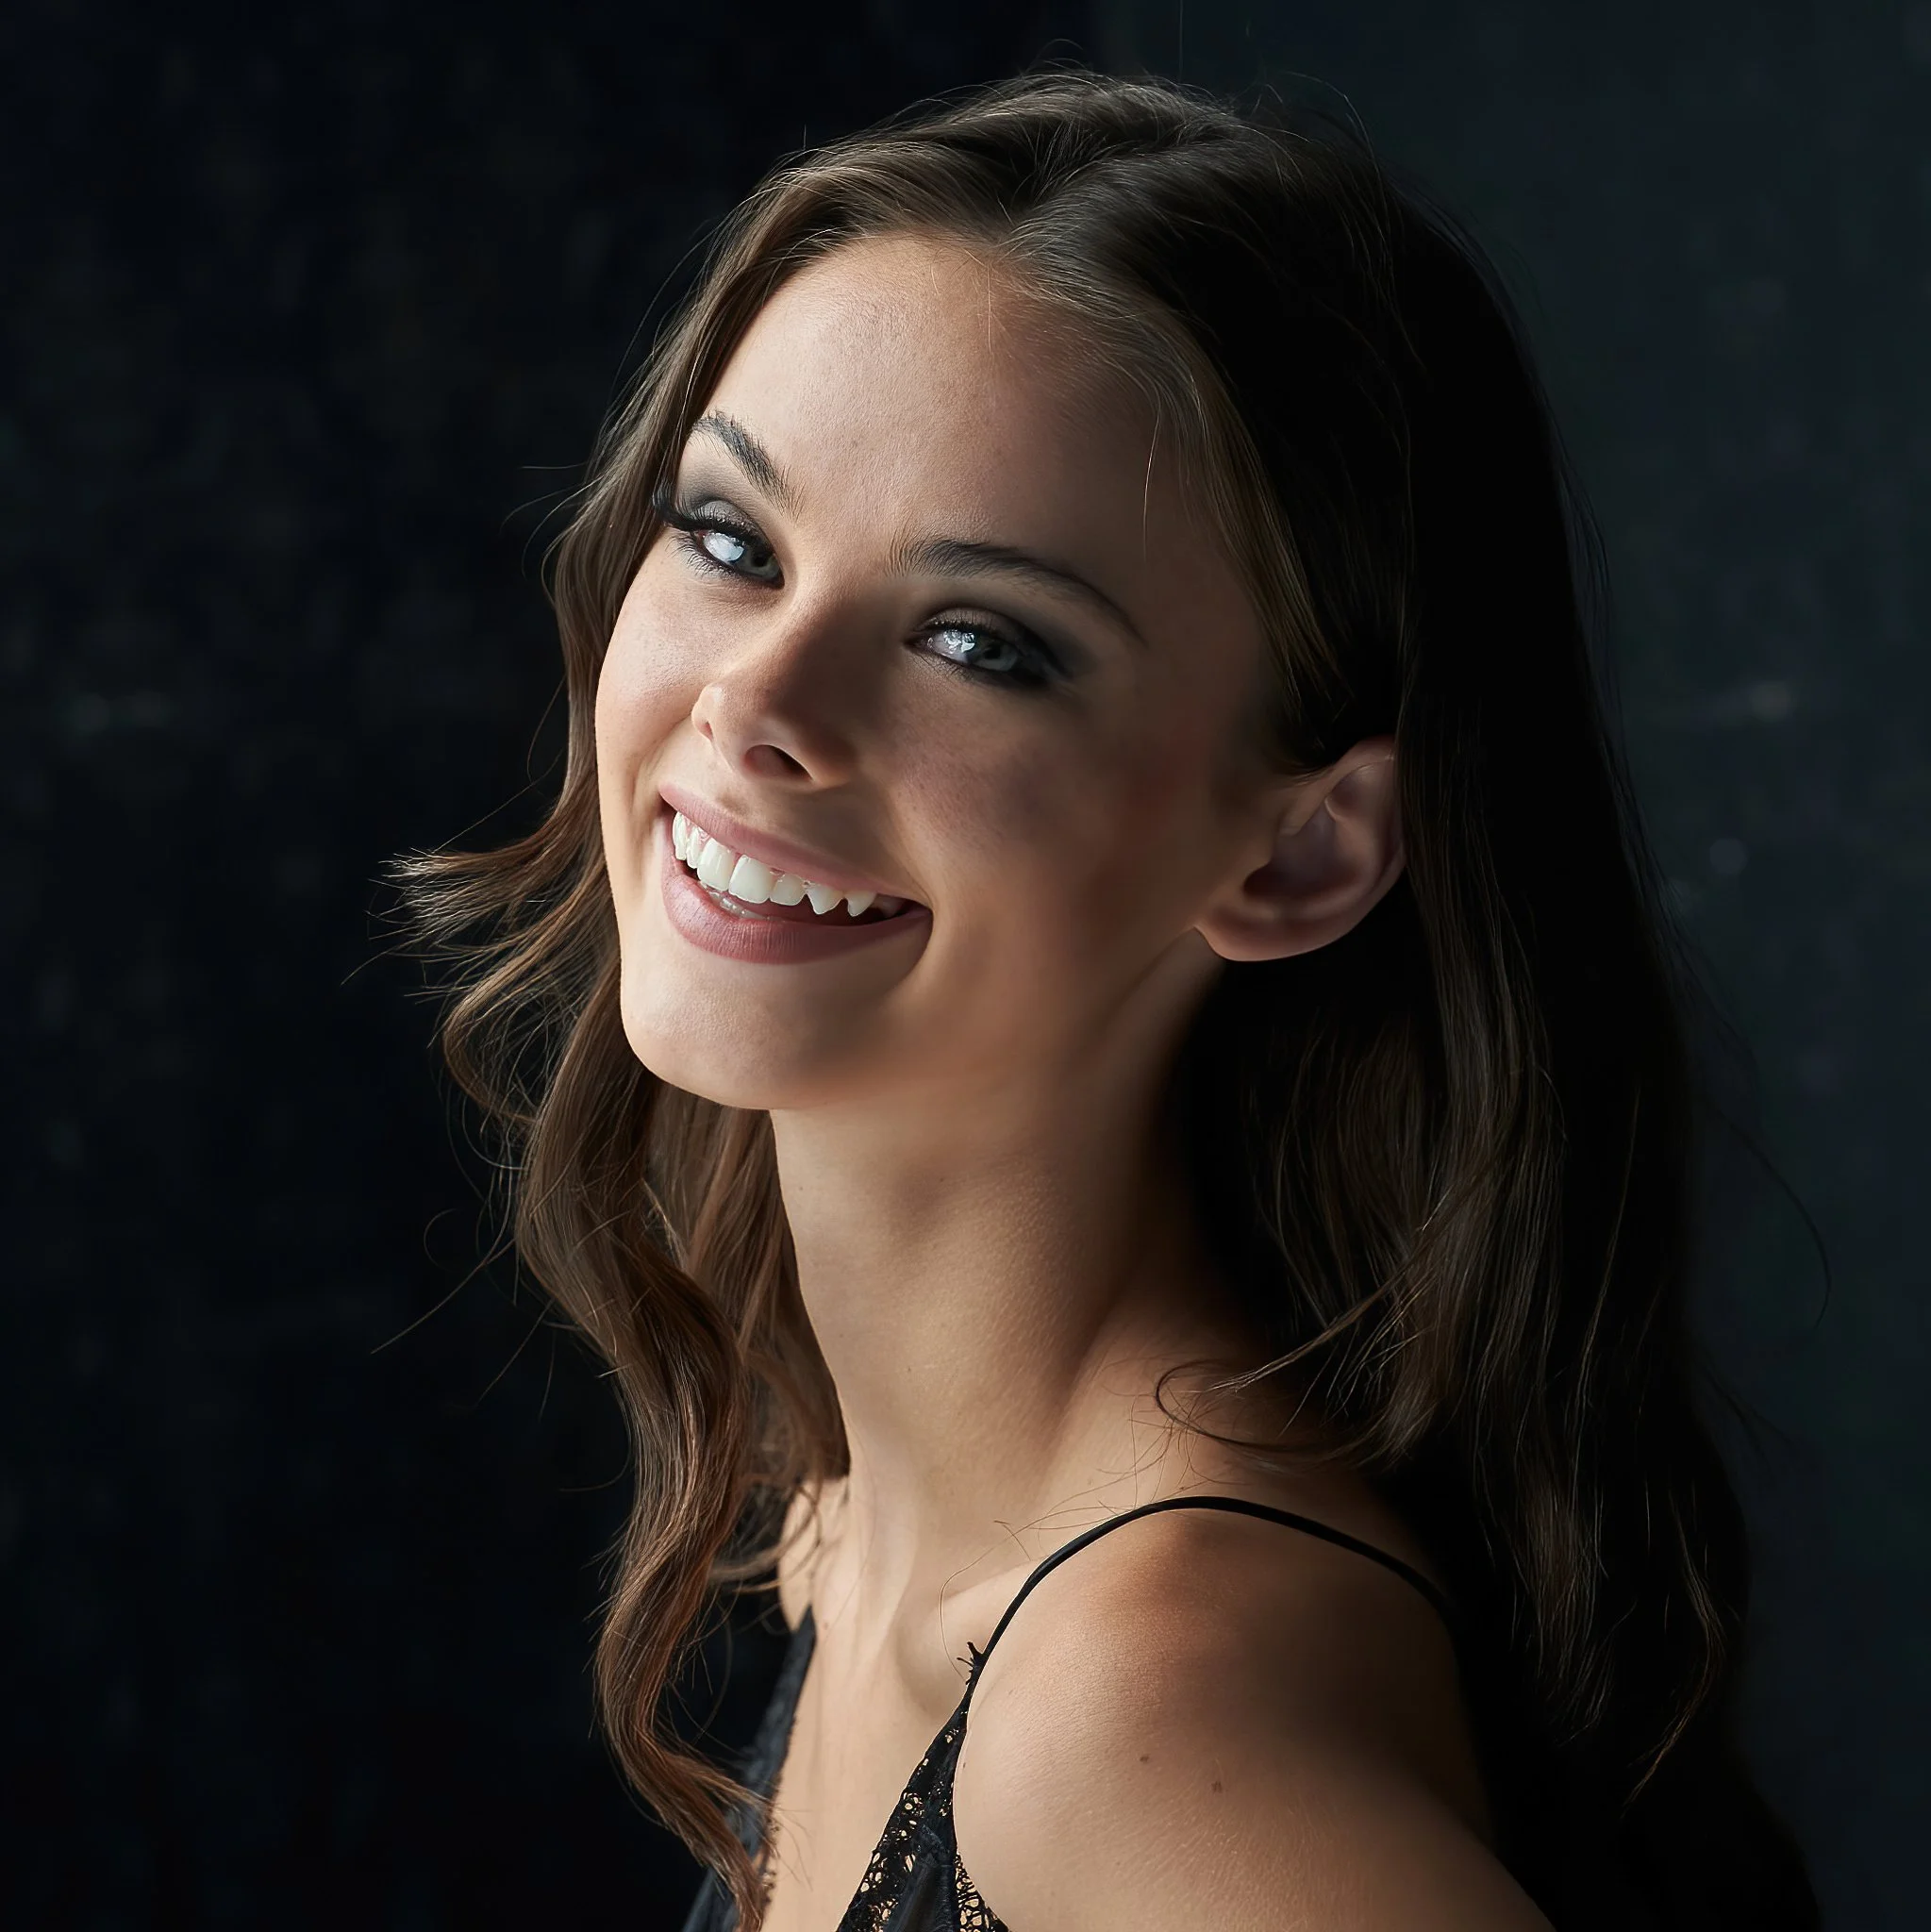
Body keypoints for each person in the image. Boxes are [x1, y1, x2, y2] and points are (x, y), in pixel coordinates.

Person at [402, 68, 1818, 1932]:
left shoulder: (1136, 1708)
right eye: (733, 540)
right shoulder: (854, 1521)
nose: (758, 700)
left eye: (983, 642)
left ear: (1299, 854)